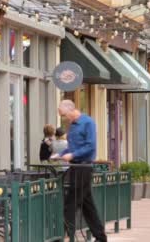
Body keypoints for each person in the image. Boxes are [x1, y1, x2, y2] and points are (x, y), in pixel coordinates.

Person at [56, 99, 107, 242]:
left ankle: (63, 235)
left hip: (83, 167)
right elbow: (72, 147)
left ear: (71, 111)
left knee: (71, 203)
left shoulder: (87, 123)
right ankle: (100, 237)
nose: (63, 119)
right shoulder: (72, 126)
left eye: (64, 115)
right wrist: (60, 155)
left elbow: (90, 146)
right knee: (87, 205)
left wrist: (72, 155)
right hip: (75, 167)